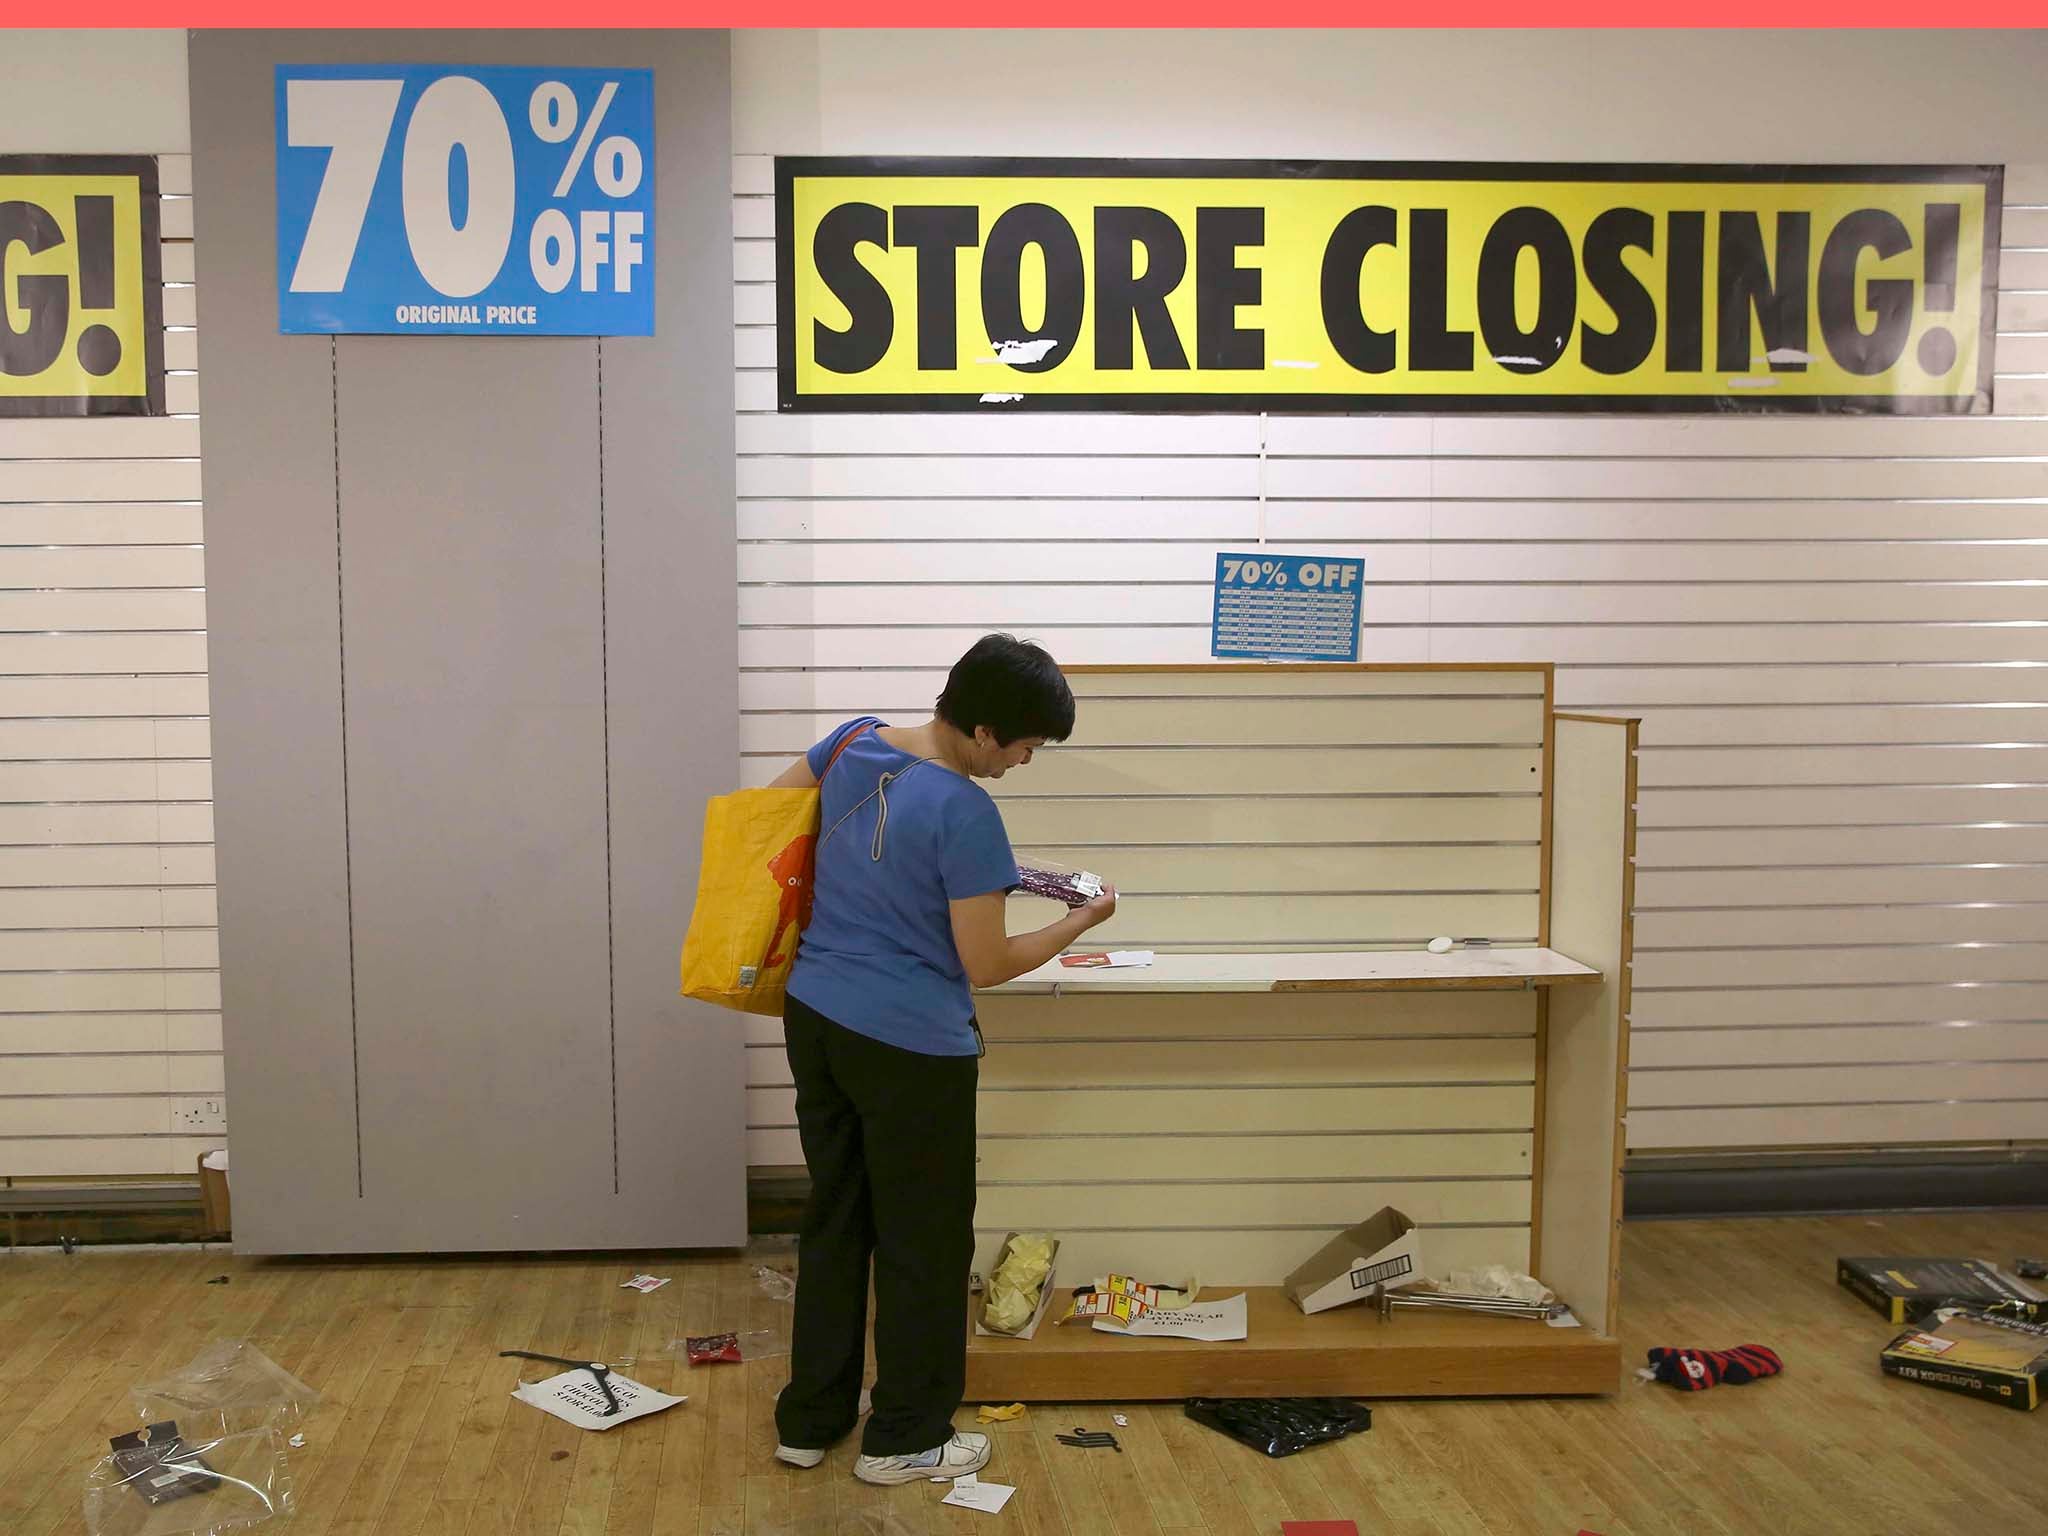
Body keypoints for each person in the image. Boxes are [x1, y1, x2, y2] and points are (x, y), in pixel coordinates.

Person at [765, 634, 1117, 1485]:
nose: (1027, 761)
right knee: (923, 1243)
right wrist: (1078, 923)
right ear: (987, 729)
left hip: (815, 1017)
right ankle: (906, 1438)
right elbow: (987, 965)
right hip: (911, 1047)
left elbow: (768, 810)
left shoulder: (853, 740)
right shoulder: (965, 811)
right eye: (1028, 745)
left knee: (837, 1218)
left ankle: (810, 1421)